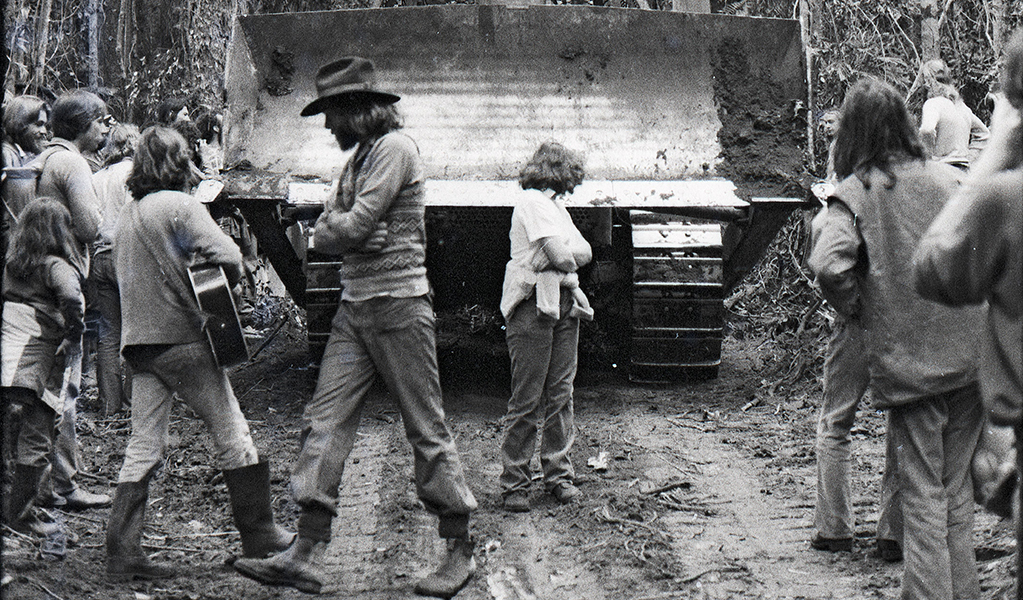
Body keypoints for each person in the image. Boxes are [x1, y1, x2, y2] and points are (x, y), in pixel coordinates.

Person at [232, 57, 477, 598]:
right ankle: (305, 553)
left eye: (331, 114)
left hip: (399, 306)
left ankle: (459, 551)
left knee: (425, 428)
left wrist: (344, 229)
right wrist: (344, 230)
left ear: (356, 110)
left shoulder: (396, 149)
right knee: (324, 423)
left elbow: (352, 223)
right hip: (355, 307)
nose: (326, 127)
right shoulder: (360, 158)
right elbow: (325, 231)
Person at [809, 78, 985, 600]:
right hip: (972, 359)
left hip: (914, 369)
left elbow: (827, 264)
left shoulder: (856, 191)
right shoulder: (950, 180)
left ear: (853, 132)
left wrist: (860, 306)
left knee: (924, 498)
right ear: (905, 126)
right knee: (956, 496)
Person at [105, 125, 292, 581]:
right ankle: (260, 533)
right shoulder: (181, 206)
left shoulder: (130, 213)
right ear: (179, 161)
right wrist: (215, 294)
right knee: (232, 429)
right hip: (184, 341)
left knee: (144, 444)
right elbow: (229, 255)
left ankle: (121, 552)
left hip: (141, 346)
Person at [912, 24, 1023, 588]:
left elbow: (932, 271)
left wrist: (983, 168)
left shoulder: (1005, 198)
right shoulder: (963, 107)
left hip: (959, 187)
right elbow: (975, 133)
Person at [809, 105, 903, 562]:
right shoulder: (910, 187)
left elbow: (827, 262)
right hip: (901, 322)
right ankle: (893, 533)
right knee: (902, 424)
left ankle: (834, 529)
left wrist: (850, 303)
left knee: (835, 423)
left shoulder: (846, 193)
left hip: (857, 322)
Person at [498, 142, 592, 513]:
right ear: (559, 171)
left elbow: (583, 252)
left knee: (560, 393)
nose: (573, 182)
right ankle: (514, 483)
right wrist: (565, 256)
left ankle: (558, 476)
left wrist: (565, 256)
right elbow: (566, 255)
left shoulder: (555, 208)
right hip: (532, 305)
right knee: (528, 396)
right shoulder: (533, 203)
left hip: (562, 302)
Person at [34, 89, 110, 511]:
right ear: (83, 124)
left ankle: (45, 478)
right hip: (64, 284)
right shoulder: (72, 162)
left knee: (44, 382)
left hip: (37, 281)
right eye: (99, 121)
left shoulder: (44, 158)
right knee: (66, 386)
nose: (103, 128)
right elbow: (89, 226)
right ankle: (64, 485)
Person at [2, 198, 85, 541]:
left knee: (7, 442)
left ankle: (11, 511)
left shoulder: (11, 266)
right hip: (34, 366)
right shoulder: (55, 266)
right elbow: (72, 298)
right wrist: (74, 332)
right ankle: (20, 518)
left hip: (8, 361)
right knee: (35, 440)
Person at [89, 123, 140, 415]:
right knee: (134, 330)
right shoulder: (135, 174)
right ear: (133, 145)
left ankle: (109, 404)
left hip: (100, 255)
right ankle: (133, 403)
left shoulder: (97, 178)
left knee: (108, 333)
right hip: (127, 255)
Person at [917, 58, 990, 169]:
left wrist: (928, 159)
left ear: (929, 80)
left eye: (926, 80)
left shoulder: (933, 104)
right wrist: (968, 156)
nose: (926, 85)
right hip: (963, 171)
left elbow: (927, 129)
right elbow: (985, 135)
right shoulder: (962, 107)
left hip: (941, 170)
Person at [2, 95, 50, 255]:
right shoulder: (6, 155)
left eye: (45, 126)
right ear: (20, 124)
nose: (44, 132)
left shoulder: (24, 153)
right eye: (38, 125)